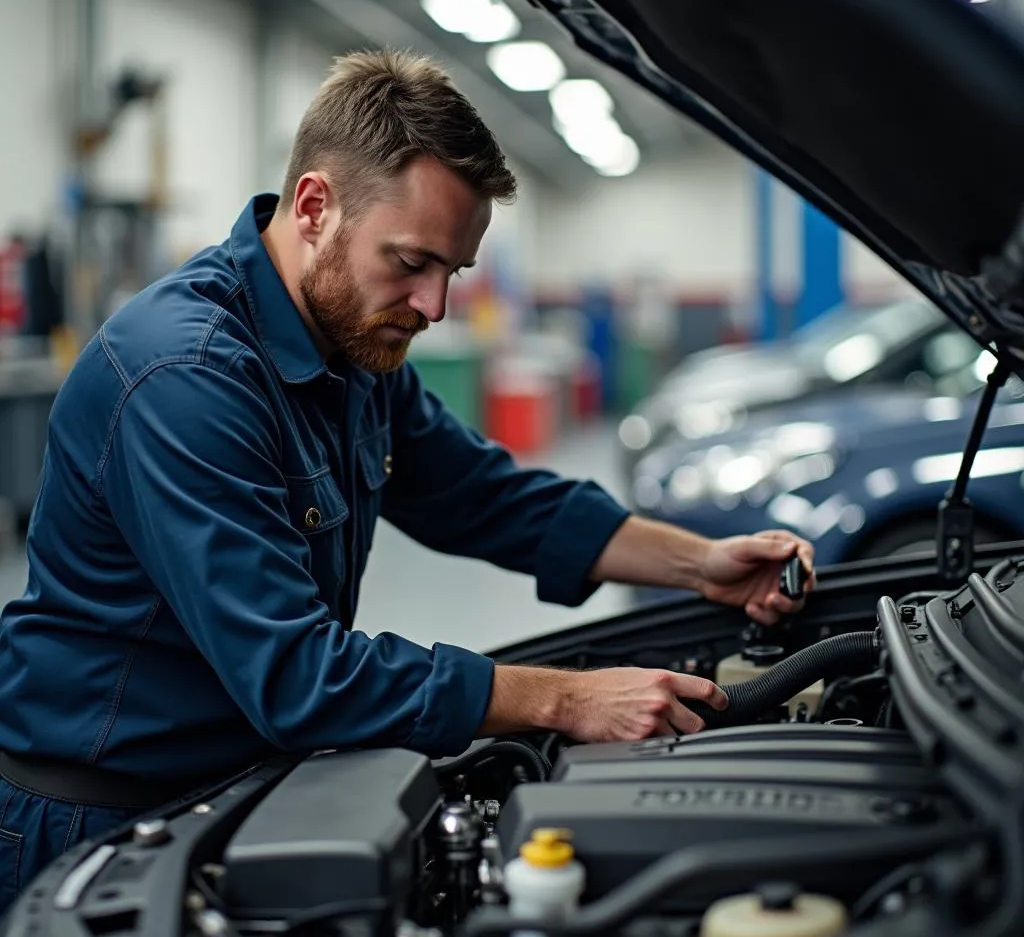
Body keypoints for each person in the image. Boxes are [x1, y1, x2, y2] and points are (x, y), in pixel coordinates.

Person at [0, 50, 814, 909]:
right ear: (315, 206)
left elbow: (483, 496)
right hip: (99, 825)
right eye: (412, 262)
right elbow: (298, 675)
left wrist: (699, 563)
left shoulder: (352, 345)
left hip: (229, 791)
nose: (434, 306)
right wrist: (566, 699)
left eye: (452, 272)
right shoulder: (185, 374)